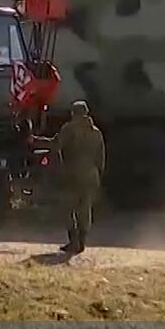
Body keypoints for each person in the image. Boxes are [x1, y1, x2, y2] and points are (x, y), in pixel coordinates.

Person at [53, 101, 105, 254]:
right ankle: (81, 242)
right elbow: (101, 157)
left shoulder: (69, 129)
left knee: (66, 208)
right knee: (85, 208)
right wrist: (98, 174)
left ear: (73, 113)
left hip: (73, 173)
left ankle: (73, 241)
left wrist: (35, 140)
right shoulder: (96, 132)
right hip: (91, 175)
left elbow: (57, 145)